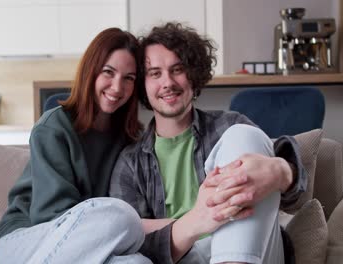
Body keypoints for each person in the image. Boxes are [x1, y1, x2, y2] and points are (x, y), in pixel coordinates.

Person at [109, 22, 306, 264]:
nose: (168, 82)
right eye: (155, 73)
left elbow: (292, 199)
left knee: (242, 134)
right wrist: (197, 220)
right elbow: (130, 244)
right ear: (143, 84)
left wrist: (283, 171)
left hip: (256, 254)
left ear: (193, 73)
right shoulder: (130, 164)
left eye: (177, 69)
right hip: (185, 257)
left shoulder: (229, 127)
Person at [0, 28, 153, 264]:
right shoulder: (53, 127)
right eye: (108, 72)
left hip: (88, 242)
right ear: (91, 71)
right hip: (25, 240)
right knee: (122, 218)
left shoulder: (130, 137)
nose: (117, 87)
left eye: (128, 78)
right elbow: (50, 215)